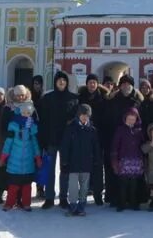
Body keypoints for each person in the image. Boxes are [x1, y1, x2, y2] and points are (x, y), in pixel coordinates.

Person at [40, 71, 79, 209]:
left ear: (67, 82)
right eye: (59, 80)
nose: (61, 82)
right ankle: (49, 197)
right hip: (51, 140)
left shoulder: (74, 99)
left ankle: (63, 197)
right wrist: (43, 140)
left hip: (67, 141)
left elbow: (76, 121)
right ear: (55, 82)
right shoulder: (48, 98)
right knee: (49, 170)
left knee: (65, 170)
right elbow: (43, 121)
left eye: (64, 80)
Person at [104, 75, 144, 207]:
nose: (126, 86)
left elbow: (142, 119)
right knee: (115, 171)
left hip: (134, 141)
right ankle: (116, 198)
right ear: (120, 86)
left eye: (129, 84)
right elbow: (108, 118)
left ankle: (134, 199)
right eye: (123, 84)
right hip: (116, 139)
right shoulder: (113, 99)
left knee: (134, 174)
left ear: (132, 86)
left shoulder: (138, 101)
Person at [0, 100, 42, 211]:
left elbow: (34, 143)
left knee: (27, 186)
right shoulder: (13, 125)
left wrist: (37, 157)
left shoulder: (32, 126)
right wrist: (4, 156)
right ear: (20, 112)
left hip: (28, 162)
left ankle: (26, 203)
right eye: (24, 112)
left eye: (29, 113)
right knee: (13, 186)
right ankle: (9, 203)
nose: (26, 114)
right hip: (14, 161)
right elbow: (8, 142)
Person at [60, 104, 101, 217]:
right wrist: (64, 160)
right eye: (83, 115)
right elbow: (65, 146)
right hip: (73, 163)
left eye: (87, 115)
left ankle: (81, 206)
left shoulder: (92, 130)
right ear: (78, 115)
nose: (84, 117)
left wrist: (97, 159)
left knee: (84, 187)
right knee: (73, 186)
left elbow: (96, 146)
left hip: (87, 163)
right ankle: (73, 205)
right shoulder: (71, 128)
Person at [78, 73, 108, 205]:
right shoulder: (81, 98)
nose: (92, 84)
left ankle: (98, 193)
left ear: (97, 84)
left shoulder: (103, 98)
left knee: (98, 165)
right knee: (84, 164)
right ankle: (84, 191)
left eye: (94, 82)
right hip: (84, 135)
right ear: (87, 84)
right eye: (90, 82)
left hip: (100, 135)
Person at [111, 107, 145, 211]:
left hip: (136, 161)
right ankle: (121, 203)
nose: (131, 121)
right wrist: (114, 161)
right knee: (123, 183)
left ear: (136, 120)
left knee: (134, 184)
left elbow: (143, 146)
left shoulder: (139, 131)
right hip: (123, 161)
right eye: (129, 119)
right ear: (125, 119)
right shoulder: (120, 130)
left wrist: (143, 160)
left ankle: (133, 203)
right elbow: (115, 146)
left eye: (133, 119)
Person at [30, 75, 45, 200]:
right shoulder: (28, 99)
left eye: (39, 83)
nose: (37, 86)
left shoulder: (44, 98)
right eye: (35, 83)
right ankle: (26, 187)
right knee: (29, 162)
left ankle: (40, 188)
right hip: (29, 135)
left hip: (41, 136)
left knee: (40, 162)